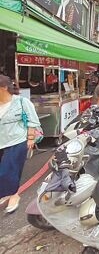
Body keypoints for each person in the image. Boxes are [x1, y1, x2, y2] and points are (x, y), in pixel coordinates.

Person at [0, 75, 40, 213]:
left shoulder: (21, 102)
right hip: (1, 142)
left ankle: (14, 196)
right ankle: (6, 193)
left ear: (4, 88)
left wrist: (30, 138)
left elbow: (32, 121)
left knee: (8, 171)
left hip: (17, 141)